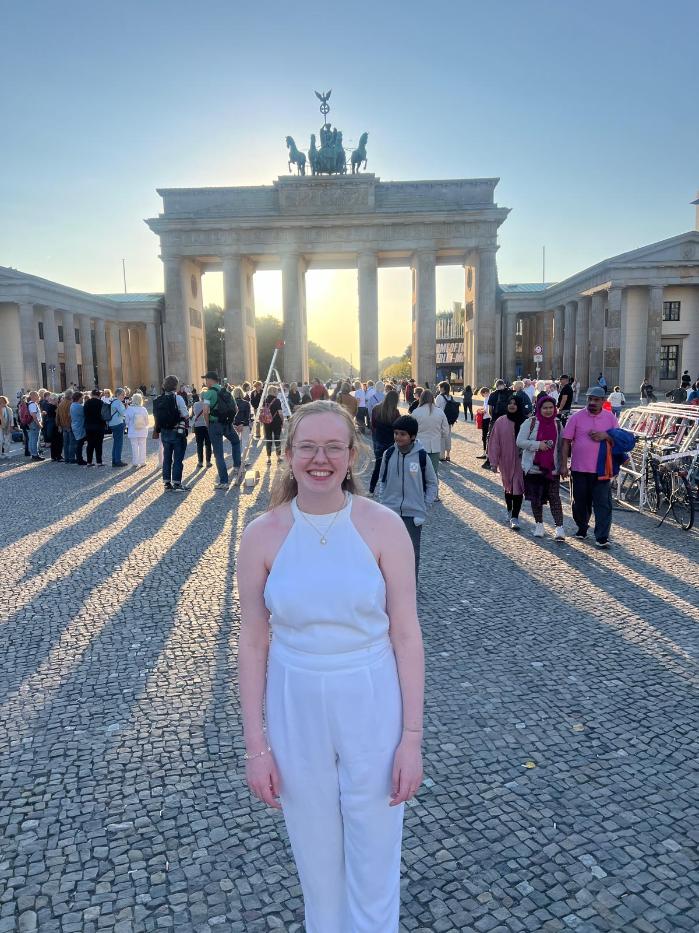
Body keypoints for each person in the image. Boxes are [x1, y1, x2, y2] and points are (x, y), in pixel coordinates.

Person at [237, 400, 424, 933]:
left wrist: (411, 738)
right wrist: (257, 748)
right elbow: (252, 644)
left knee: (375, 853)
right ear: (289, 453)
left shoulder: (383, 526)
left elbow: (407, 636)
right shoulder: (262, 534)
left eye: (333, 447)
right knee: (317, 862)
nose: (320, 460)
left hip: (371, 694)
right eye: (307, 447)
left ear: (351, 454)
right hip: (295, 698)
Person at [377, 414, 438, 581]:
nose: (398, 437)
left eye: (402, 434)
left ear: (412, 436)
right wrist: (384, 503)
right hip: (391, 511)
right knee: (388, 550)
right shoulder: (388, 454)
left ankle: (411, 583)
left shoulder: (421, 457)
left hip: (413, 515)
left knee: (411, 552)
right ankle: (389, 582)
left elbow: (432, 484)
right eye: (396, 433)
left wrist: (423, 507)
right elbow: (382, 480)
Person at [560, 386, 618, 548]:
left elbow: (618, 441)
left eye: (596, 400)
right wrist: (564, 464)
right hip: (579, 468)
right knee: (579, 503)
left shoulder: (610, 418)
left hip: (602, 470)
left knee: (603, 505)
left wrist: (605, 435)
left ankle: (602, 537)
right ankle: (582, 528)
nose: (592, 402)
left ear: (603, 401)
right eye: (590, 399)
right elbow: (566, 441)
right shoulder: (576, 417)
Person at [517, 395, 566, 540]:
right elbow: (519, 441)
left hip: (552, 468)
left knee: (554, 498)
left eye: (551, 407)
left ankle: (560, 528)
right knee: (536, 499)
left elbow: (562, 446)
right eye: (545, 408)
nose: (548, 410)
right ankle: (539, 525)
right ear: (539, 408)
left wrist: (564, 465)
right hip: (533, 467)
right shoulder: (531, 422)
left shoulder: (558, 424)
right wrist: (538, 445)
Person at [487, 395, 526, 530]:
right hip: (505, 460)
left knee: (518, 487)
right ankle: (510, 510)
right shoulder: (500, 421)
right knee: (508, 486)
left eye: (515, 403)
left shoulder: (525, 421)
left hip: (521, 461)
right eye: (510, 403)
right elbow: (494, 442)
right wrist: (493, 461)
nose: (512, 405)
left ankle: (515, 516)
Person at [201, 370, 241, 489]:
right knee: (236, 441)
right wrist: (230, 420)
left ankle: (224, 481)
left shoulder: (208, 393)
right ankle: (237, 466)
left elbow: (205, 411)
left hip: (215, 424)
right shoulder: (227, 391)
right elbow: (236, 408)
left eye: (206, 379)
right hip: (227, 423)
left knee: (218, 453)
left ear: (210, 380)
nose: (205, 381)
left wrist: (208, 425)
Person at [154, 375, 190, 491]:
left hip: (164, 432)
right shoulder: (178, 398)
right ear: (175, 386)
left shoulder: (158, 399)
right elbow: (185, 414)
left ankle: (167, 483)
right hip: (177, 431)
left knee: (167, 458)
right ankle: (177, 483)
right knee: (178, 458)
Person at [412, 389, 449, 497]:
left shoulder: (416, 412)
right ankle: (434, 494)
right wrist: (438, 436)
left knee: (418, 471)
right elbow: (446, 431)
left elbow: (410, 429)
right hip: (434, 446)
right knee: (433, 472)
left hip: (419, 446)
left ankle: (419, 493)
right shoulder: (439, 412)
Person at [369, 390, 400, 494]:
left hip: (379, 440)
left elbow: (372, 425)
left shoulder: (376, 409)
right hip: (391, 441)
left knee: (377, 466)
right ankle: (388, 490)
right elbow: (397, 428)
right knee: (391, 466)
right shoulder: (395, 412)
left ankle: (371, 490)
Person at [125, 392, 149, 467]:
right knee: (143, 446)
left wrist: (130, 425)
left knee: (134, 446)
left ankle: (135, 462)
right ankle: (142, 461)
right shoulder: (143, 409)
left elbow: (126, 421)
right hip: (142, 430)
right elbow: (147, 421)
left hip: (133, 431)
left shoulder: (129, 409)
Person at [434, 381, 456, 462]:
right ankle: (448, 455)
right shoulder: (450, 396)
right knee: (448, 437)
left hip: (441, 420)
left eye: (439, 387)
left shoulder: (439, 397)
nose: (439, 389)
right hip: (449, 420)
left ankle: (442, 455)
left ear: (442, 388)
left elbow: (436, 409)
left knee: (441, 438)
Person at [261, 385, 283, 464]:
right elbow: (280, 413)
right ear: (274, 392)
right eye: (276, 391)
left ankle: (269, 458)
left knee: (268, 439)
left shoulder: (265, 400)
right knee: (277, 439)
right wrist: (282, 420)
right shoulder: (277, 401)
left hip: (267, 422)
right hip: (276, 422)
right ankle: (279, 457)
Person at [83, 389, 105, 466]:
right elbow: (104, 415)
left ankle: (89, 461)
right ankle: (99, 462)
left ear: (92, 394)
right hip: (99, 426)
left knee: (90, 444)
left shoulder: (87, 402)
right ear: (99, 395)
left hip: (89, 426)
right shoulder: (101, 403)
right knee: (98, 444)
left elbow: (84, 414)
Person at [191, 393, 212, 469]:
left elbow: (193, 414)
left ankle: (200, 462)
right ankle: (208, 461)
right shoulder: (208, 404)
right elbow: (209, 414)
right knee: (208, 444)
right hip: (207, 425)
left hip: (198, 426)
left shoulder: (195, 404)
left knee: (199, 445)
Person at [108, 388, 128, 467]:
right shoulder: (118, 402)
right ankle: (118, 460)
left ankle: (114, 460)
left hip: (113, 423)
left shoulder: (113, 401)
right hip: (118, 424)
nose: (124, 396)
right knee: (119, 443)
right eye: (123, 394)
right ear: (118, 395)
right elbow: (124, 413)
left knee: (116, 443)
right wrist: (126, 407)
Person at [233, 386, 252, 459]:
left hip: (235, 425)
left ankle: (237, 459)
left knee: (235, 443)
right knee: (245, 442)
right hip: (244, 424)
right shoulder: (246, 403)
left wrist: (235, 424)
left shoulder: (232, 403)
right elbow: (247, 416)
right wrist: (242, 423)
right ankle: (245, 459)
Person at [69, 391, 87, 465]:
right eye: (82, 398)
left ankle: (78, 458)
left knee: (78, 443)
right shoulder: (78, 406)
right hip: (79, 426)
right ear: (79, 398)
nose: (82, 399)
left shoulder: (72, 405)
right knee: (79, 444)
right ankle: (80, 459)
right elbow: (85, 414)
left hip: (75, 425)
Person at [26, 391, 44, 460]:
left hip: (33, 423)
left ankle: (33, 454)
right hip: (34, 423)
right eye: (37, 395)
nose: (38, 397)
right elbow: (34, 415)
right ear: (33, 396)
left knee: (32, 439)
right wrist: (39, 424)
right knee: (34, 439)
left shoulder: (31, 404)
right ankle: (35, 455)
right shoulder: (33, 404)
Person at [476, 387, 491, 462]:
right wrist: (482, 409)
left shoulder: (488, 398)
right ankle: (485, 452)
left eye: (482, 394)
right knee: (485, 436)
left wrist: (482, 411)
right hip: (486, 418)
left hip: (487, 419)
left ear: (485, 392)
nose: (482, 395)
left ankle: (485, 453)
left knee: (485, 436)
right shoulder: (487, 398)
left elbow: (488, 410)